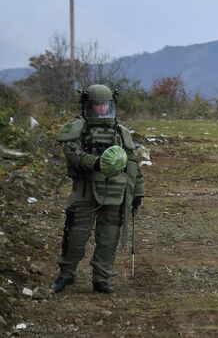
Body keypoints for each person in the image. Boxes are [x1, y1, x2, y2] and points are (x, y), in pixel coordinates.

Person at [51, 84, 144, 294]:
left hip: (114, 191)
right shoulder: (78, 128)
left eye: (105, 105)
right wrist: (94, 162)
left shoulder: (120, 131)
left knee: (109, 236)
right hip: (84, 189)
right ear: (88, 106)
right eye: (97, 105)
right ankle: (66, 275)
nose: (101, 109)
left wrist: (138, 191)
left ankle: (101, 278)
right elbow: (72, 153)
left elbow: (132, 163)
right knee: (75, 235)